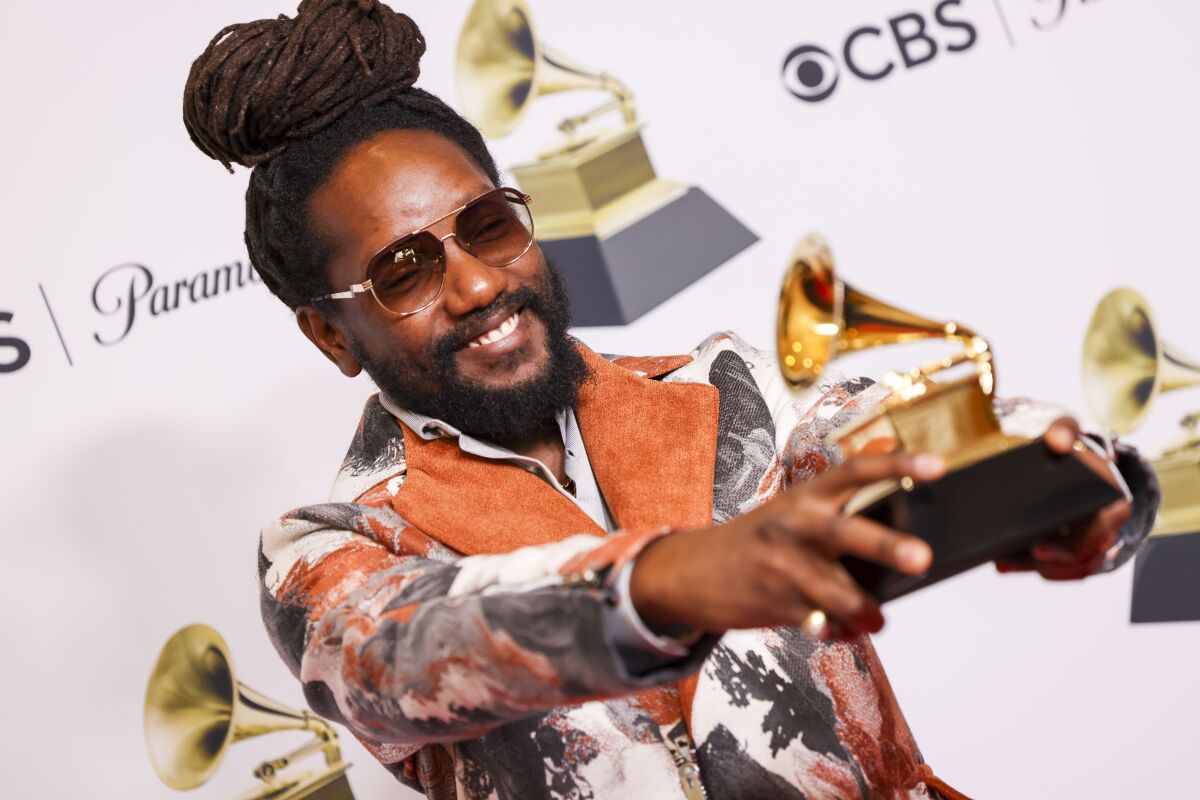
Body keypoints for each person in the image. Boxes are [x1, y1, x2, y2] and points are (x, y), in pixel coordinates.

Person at [182, 2, 1158, 798]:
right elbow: (405, 651)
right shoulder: (325, 547)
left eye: (488, 224)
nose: (479, 284)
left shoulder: (730, 386)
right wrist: (669, 579)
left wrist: (1063, 483)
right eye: (403, 270)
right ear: (330, 335)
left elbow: (886, 437)